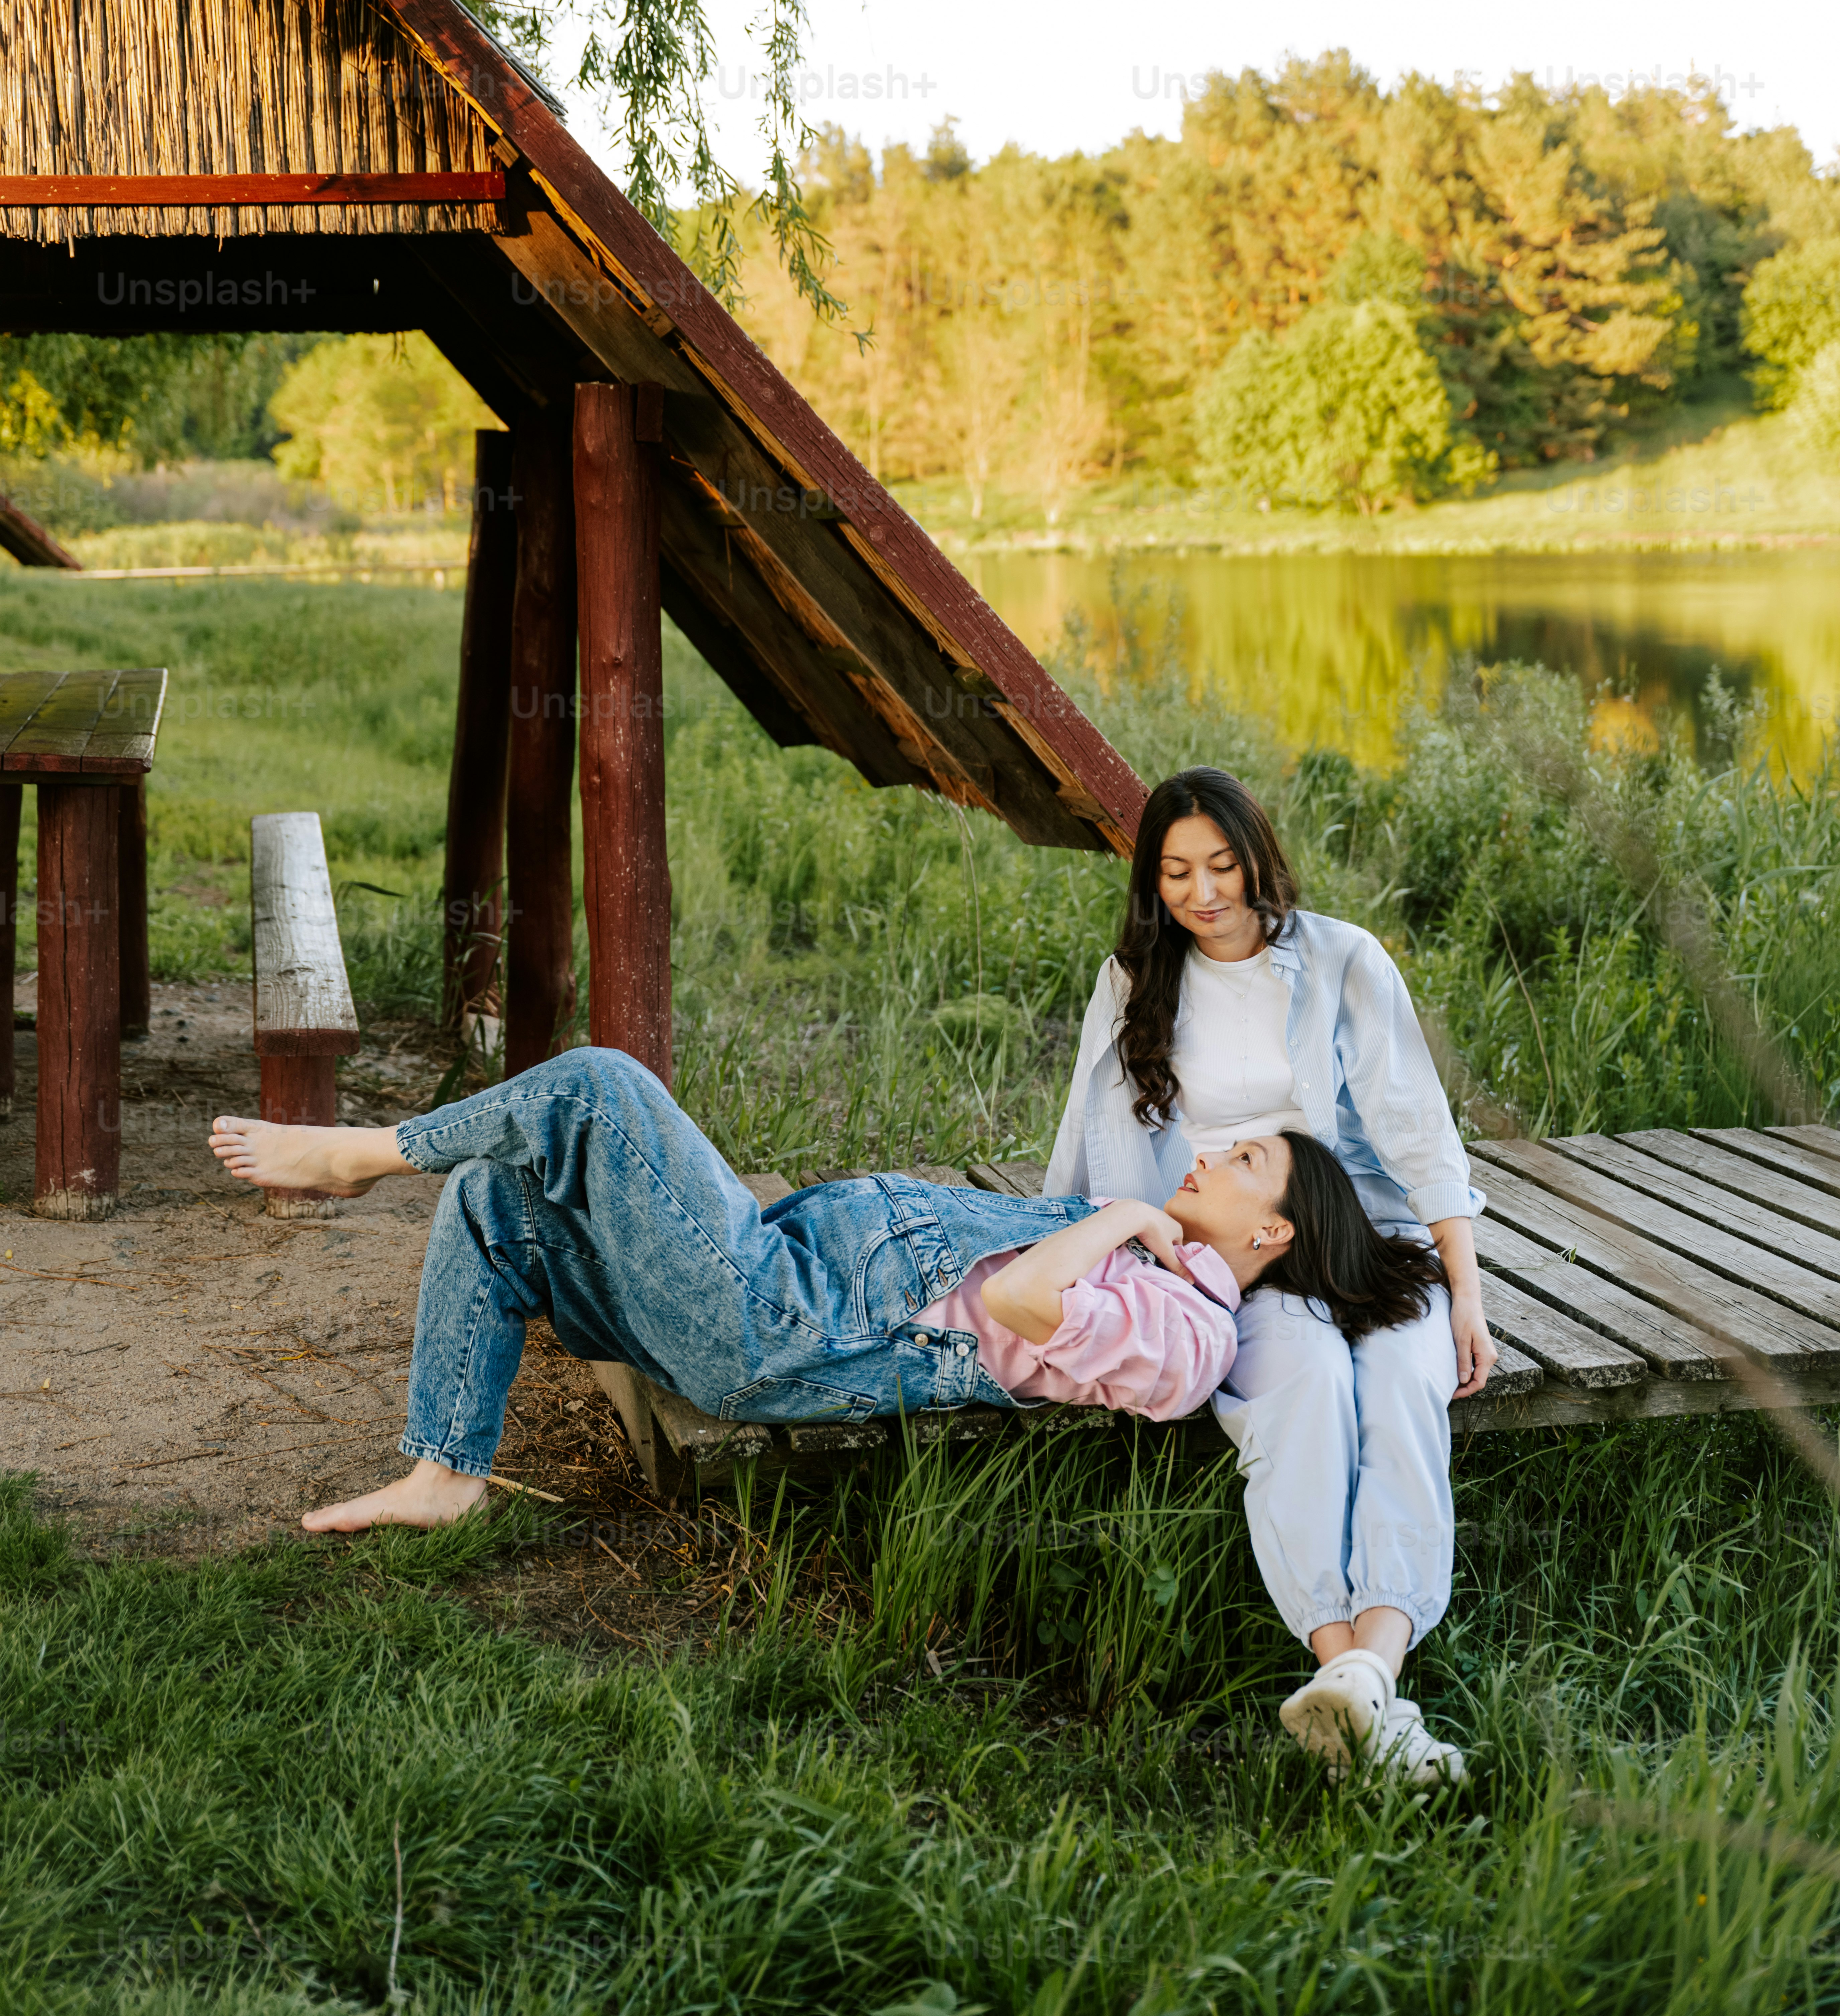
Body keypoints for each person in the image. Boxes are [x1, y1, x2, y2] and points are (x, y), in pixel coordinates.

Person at [207, 1052, 1413, 1572]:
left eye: (1244, 1161)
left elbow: (1021, 1297)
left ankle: (358, 1154)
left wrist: (1125, 1221)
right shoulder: (1157, 1262)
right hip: (778, 1269)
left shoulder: (1190, 1335)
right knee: (495, 1198)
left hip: (783, 1329)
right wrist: (1128, 1218)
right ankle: (445, 1475)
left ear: (1272, 1234)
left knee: (603, 1084)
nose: (1211, 1156)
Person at [1045, 764, 1494, 1789]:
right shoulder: (1133, 981)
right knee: (1304, 1392)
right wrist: (1072, 1263)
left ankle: (1365, 1681)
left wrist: (1465, 1293)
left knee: (1400, 1384)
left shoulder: (1344, 960)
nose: (1202, 895)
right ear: (1152, 885)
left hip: (1362, 1231)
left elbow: (1422, 1132)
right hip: (1232, 1251)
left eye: (1220, 866)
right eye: (1175, 874)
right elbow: (1090, 1140)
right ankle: (1365, 1687)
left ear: (1258, 860)